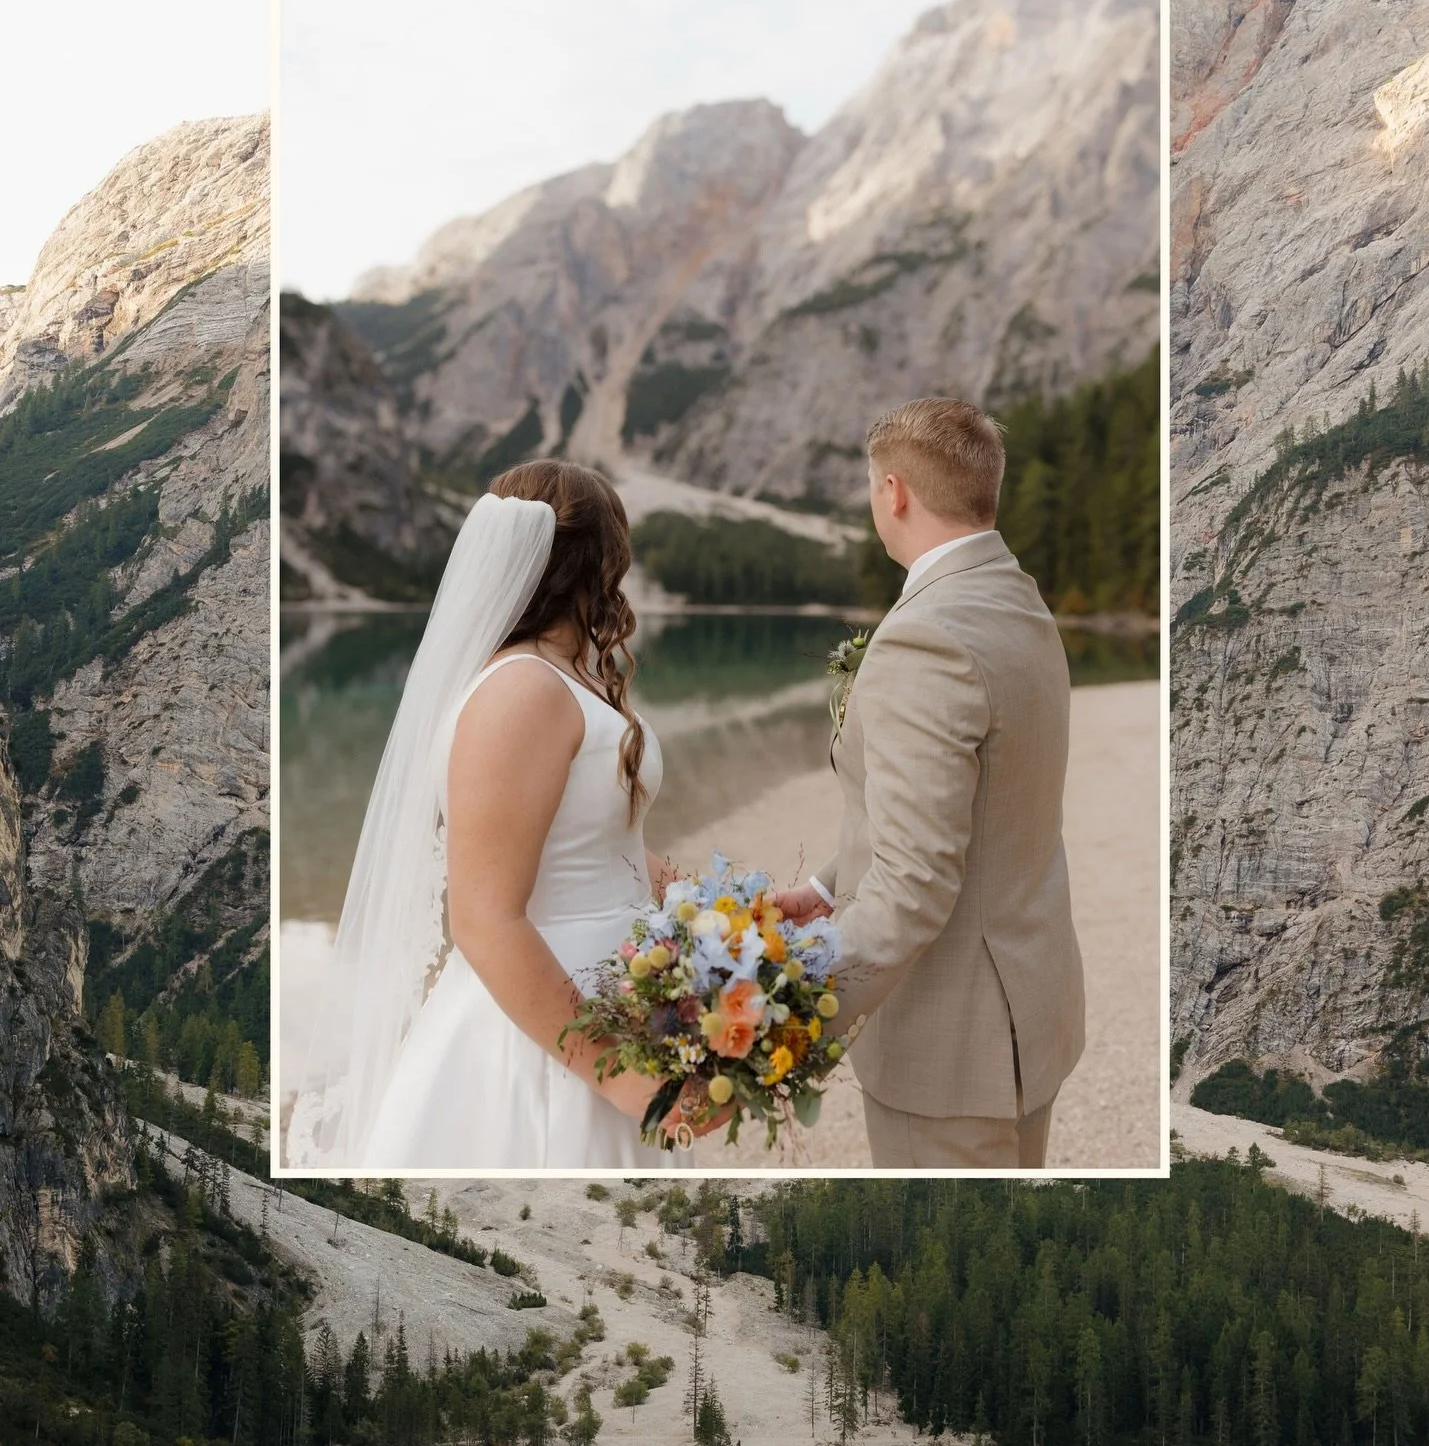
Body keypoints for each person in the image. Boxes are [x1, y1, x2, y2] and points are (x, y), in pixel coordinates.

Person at [287, 459, 708, 1169]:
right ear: (597, 562)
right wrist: (632, 1083)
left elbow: (598, 850)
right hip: (546, 1038)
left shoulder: (560, 681)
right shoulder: (522, 692)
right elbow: (484, 918)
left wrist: (726, 910)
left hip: (619, 1002)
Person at [777, 397, 1084, 1169]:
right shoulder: (1016, 596)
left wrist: (789, 1020)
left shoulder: (927, 637)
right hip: (1026, 1012)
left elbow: (916, 883)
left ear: (894, 493)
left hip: (954, 1047)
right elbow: (975, 805)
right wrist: (828, 885)